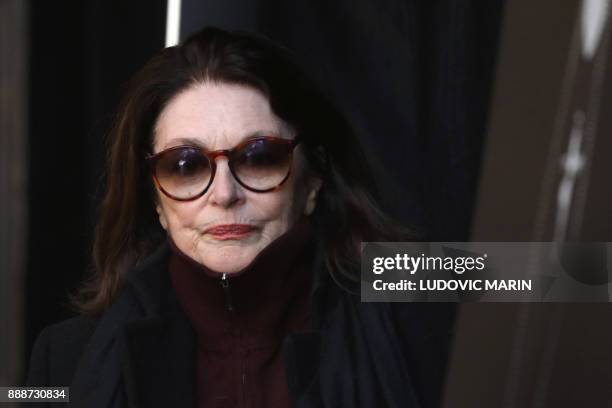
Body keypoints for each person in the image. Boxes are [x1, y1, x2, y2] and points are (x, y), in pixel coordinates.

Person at [25, 27, 456, 408]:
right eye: (185, 166)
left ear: (312, 180)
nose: (225, 194)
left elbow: (519, 278)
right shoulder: (64, 360)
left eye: (259, 157)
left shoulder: (419, 307)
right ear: (155, 199)